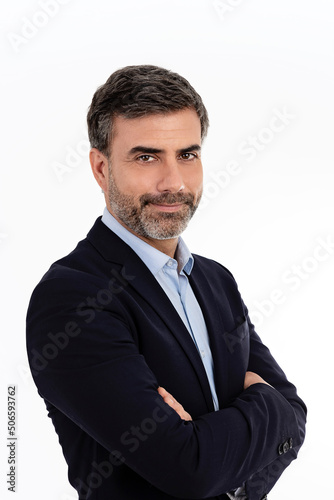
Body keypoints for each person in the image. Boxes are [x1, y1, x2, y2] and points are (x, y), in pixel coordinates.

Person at [26, 65, 306, 500]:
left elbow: (296, 414)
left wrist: (219, 456)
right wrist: (266, 409)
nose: (173, 182)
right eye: (146, 156)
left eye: (187, 155)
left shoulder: (216, 280)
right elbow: (189, 469)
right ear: (101, 169)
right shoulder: (72, 298)